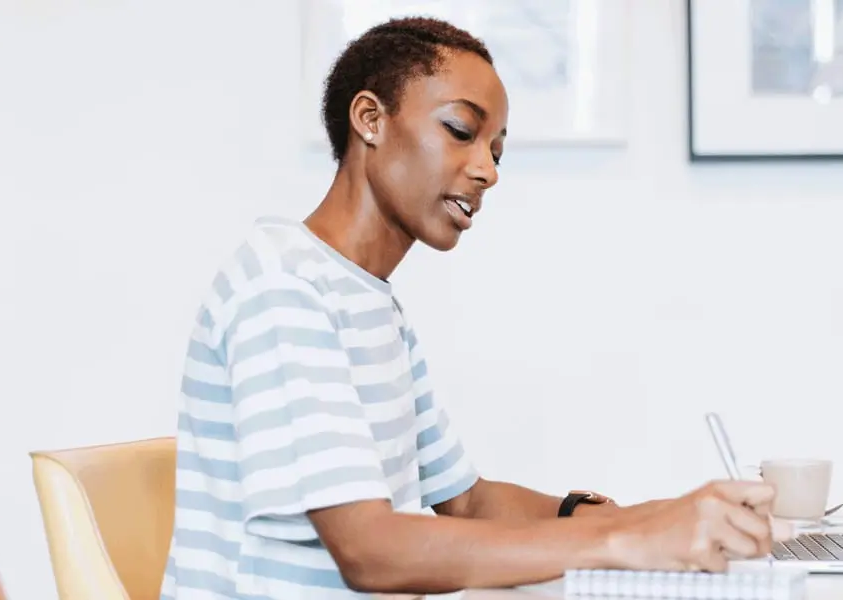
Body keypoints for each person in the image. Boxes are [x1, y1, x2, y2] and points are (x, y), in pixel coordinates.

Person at [161, 16, 776, 599]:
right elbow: (370, 551)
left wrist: (669, 514)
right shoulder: (284, 288)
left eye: (497, 151)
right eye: (461, 130)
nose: (486, 171)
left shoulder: (369, 301)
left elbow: (468, 501)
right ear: (370, 119)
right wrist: (623, 541)